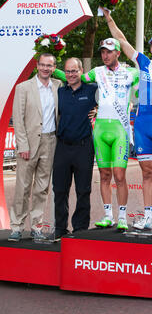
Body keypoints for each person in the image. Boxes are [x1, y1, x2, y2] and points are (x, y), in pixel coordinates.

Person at [102, 8, 152, 232]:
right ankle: (148, 216)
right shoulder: (145, 63)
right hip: (143, 124)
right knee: (147, 171)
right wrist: (109, 17)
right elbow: (121, 40)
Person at [54, 41, 139, 232]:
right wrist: (52, 69)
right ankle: (108, 215)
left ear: (118, 52)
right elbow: (77, 77)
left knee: (119, 175)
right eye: (102, 52)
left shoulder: (132, 72)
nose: (105, 55)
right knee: (104, 175)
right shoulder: (97, 72)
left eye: (109, 52)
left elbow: (144, 83)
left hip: (120, 130)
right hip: (100, 129)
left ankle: (123, 216)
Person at [8, 53, 61, 241]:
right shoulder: (23, 88)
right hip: (28, 144)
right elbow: (18, 119)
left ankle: (37, 226)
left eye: (50, 65)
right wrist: (22, 144)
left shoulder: (58, 86)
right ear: (37, 66)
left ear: (54, 68)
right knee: (22, 187)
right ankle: (17, 226)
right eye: (43, 65)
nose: (46, 68)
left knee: (42, 188)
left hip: (50, 142)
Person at [52, 58, 97, 240]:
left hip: (84, 147)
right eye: (68, 71)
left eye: (74, 71)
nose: (71, 75)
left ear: (81, 71)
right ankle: (60, 229)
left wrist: (99, 110)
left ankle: (80, 229)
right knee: (60, 190)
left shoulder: (93, 90)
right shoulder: (59, 92)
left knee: (83, 190)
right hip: (62, 147)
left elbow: (115, 97)